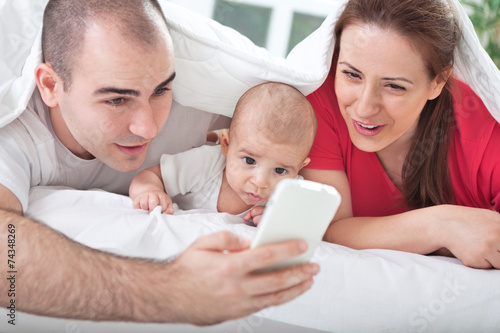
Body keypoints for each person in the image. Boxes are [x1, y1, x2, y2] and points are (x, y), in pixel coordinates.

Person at [0, 0, 320, 325]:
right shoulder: (17, 136)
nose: (148, 128)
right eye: (116, 99)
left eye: (161, 90)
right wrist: (169, 289)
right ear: (51, 85)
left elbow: (279, 140)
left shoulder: (197, 110)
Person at [298, 0, 500, 269]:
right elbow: (330, 228)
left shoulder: (485, 133)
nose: (364, 107)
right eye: (351, 74)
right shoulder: (318, 104)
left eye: (394, 86)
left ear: (437, 83)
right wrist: (443, 226)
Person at [129, 82, 317, 219]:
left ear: (300, 167)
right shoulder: (208, 163)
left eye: (280, 170)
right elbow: (149, 177)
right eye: (249, 161)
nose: (260, 182)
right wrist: (150, 192)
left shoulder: (292, 194)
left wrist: (279, 221)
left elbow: (309, 226)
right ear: (226, 145)